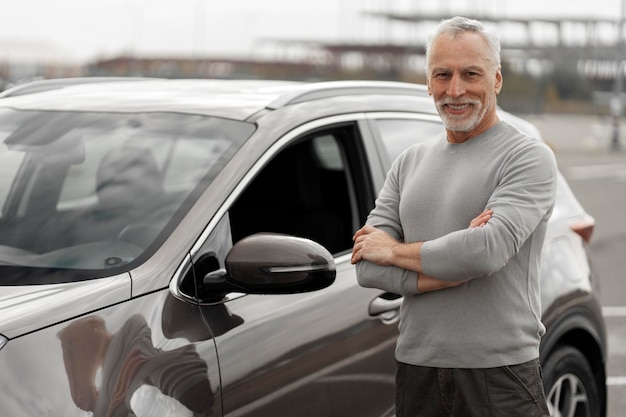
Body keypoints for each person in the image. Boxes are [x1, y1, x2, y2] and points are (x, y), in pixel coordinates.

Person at [351, 16, 556, 417]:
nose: (455, 89)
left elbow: (483, 253)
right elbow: (365, 269)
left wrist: (394, 252)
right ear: (428, 82)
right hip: (417, 370)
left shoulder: (527, 157)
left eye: (470, 74)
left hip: (499, 376)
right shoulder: (409, 162)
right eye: (442, 74)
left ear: (496, 80)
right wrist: (453, 267)